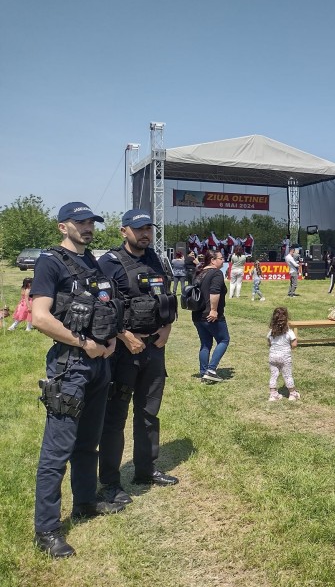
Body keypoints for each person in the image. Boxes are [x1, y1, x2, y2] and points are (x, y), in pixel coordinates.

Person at [30, 202, 123, 558]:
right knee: (57, 450)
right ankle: (48, 529)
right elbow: (40, 318)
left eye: (91, 222)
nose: (88, 227)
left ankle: (85, 501)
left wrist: (111, 338)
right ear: (62, 227)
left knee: (89, 442)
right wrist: (84, 343)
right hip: (70, 367)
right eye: (80, 222)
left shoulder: (92, 261)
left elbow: (105, 306)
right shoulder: (50, 262)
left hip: (99, 365)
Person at [96, 209, 179, 507]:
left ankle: (145, 469)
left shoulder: (155, 258)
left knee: (148, 412)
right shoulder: (108, 262)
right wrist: (124, 336)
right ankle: (110, 482)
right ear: (124, 231)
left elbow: (167, 298)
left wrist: (167, 329)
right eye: (138, 229)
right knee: (114, 417)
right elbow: (101, 308)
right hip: (123, 351)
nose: (145, 234)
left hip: (155, 347)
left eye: (149, 229)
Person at [192, 250, 230, 382]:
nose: (223, 260)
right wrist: (214, 310)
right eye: (221, 258)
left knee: (205, 344)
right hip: (211, 315)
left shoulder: (199, 272)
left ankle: (203, 373)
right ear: (212, 260)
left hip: (197, 315)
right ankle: (211, 369)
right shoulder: (216, 273)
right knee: (224, 340)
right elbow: (214, 292)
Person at [267, 307, 300, 402]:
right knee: (287, 375)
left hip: (273, 357)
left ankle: (273, 395)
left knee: (273, 375)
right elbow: (294, 344)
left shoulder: (271, 332)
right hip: (285, 357)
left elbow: (269, 343)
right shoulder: (289, 332)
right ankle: (293, 394)